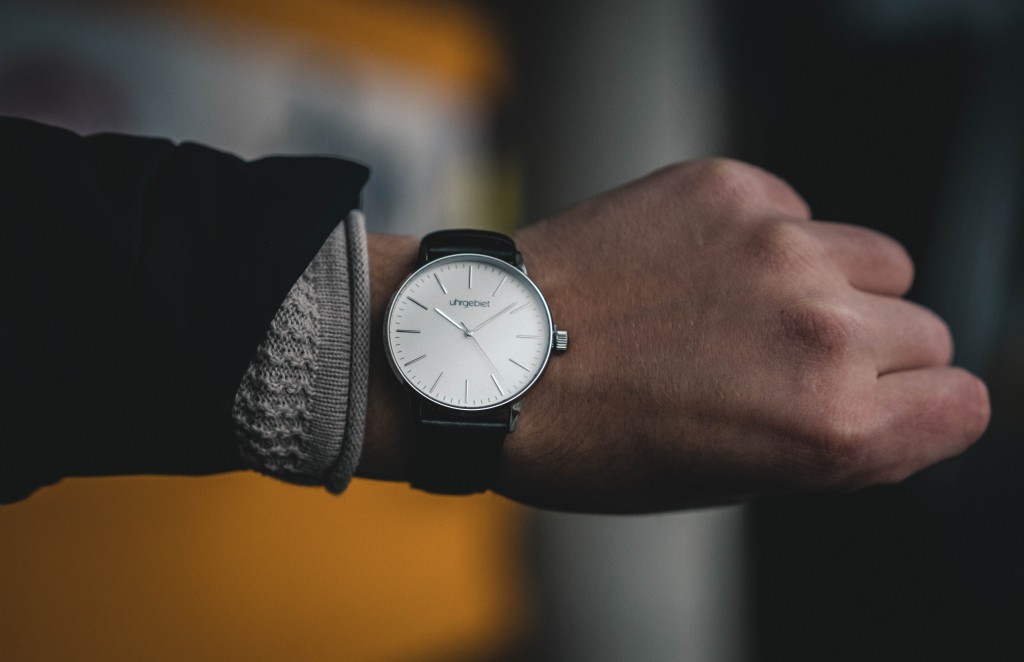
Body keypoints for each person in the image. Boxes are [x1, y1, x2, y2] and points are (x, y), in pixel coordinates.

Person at [0, 116, 990, 511]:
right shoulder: (507, 338)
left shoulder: (503, 334)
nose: (487, 335)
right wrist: (350, 329)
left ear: (546, 338)